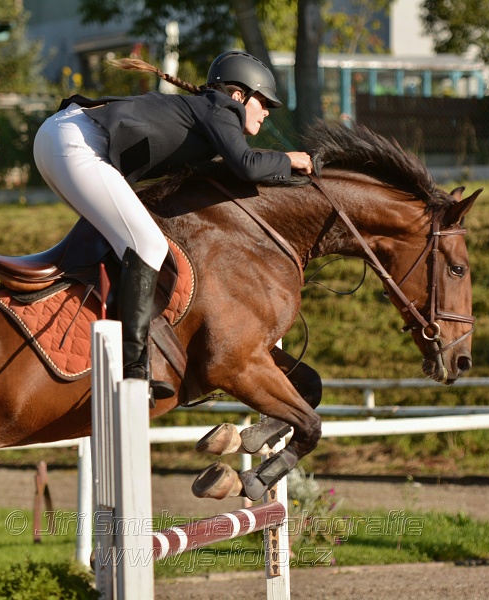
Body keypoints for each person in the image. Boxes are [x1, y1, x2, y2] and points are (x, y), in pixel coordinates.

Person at [33, 50, 314, 400]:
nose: (268, 111)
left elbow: (230, 174)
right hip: (75, 142)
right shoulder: (221, 108)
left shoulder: (208, 117)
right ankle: (133, 366)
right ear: (239, 96)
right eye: (264, 101)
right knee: (147, 246)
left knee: (130, 240)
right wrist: (290, 159)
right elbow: (247, 165)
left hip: (65, 138)